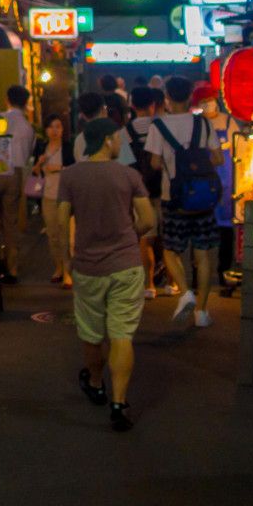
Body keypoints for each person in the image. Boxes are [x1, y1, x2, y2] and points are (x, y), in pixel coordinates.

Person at [58, 117, 156, 433]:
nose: (120, 144)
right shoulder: (129, 175)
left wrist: (67, 262)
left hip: (88, 266)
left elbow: (61, 225)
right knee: (122, 334)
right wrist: (128, 233)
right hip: (126, 265)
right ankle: (118, 404)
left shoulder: (70, 176)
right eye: (117, 139)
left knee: (91, 330)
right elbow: (148, 220)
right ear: (106, 141)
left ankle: (97, 384)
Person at [144, 74, 223, 327]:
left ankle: (185, 291)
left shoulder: (158, 126)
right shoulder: (204, 124)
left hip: (174, 198)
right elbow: (218, 159)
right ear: (190, 96)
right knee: (203, 254)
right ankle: (201, 312)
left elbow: (155, 163)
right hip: (203, 198)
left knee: (170, 250)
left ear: (167, 98)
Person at [0, 85, 35, 285]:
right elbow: (29, 154)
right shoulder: (28, 127)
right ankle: (12, 268)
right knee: (10, 222)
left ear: (7, 99)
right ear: (26, 102)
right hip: (15, 173)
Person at [125, 86, 169, 298]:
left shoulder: (124, 131)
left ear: (132, 105)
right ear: (153, 105)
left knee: (145, 239)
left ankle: (149, 284)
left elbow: (124, 164)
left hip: (138, 191)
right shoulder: (161, 127)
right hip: (163, 188)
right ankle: (171, 282)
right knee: (167, 236)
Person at [194, 82, 239, 278]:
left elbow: (239, 149)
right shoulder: (194, 123)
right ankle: (197, 274)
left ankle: (224, 270)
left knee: (225, 229)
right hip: (201, 183)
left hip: (225, 183)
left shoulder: (228, 122)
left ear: (216, 100)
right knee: (199, 229)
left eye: (209, 100)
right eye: (202, 102)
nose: (207, 104)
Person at [34, 114, 75, 287]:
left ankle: (68, 272)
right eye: (51, 127)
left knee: (65, 235)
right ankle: (58, 267)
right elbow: (35, 173)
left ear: (63, 129)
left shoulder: (68, 147)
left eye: (58, 126)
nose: (55, 130)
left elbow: (75, 170)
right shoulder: (42, 147)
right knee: (52, 235)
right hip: (47, 196)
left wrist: (58, 168)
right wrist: (39, 163)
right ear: (46, 130)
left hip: (64, 196)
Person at [74, 93, 137, 166]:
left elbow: (80, 166)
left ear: (83, 115)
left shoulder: (79, 140)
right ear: (103, 110)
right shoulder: (118, 132)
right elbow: (127, 163)